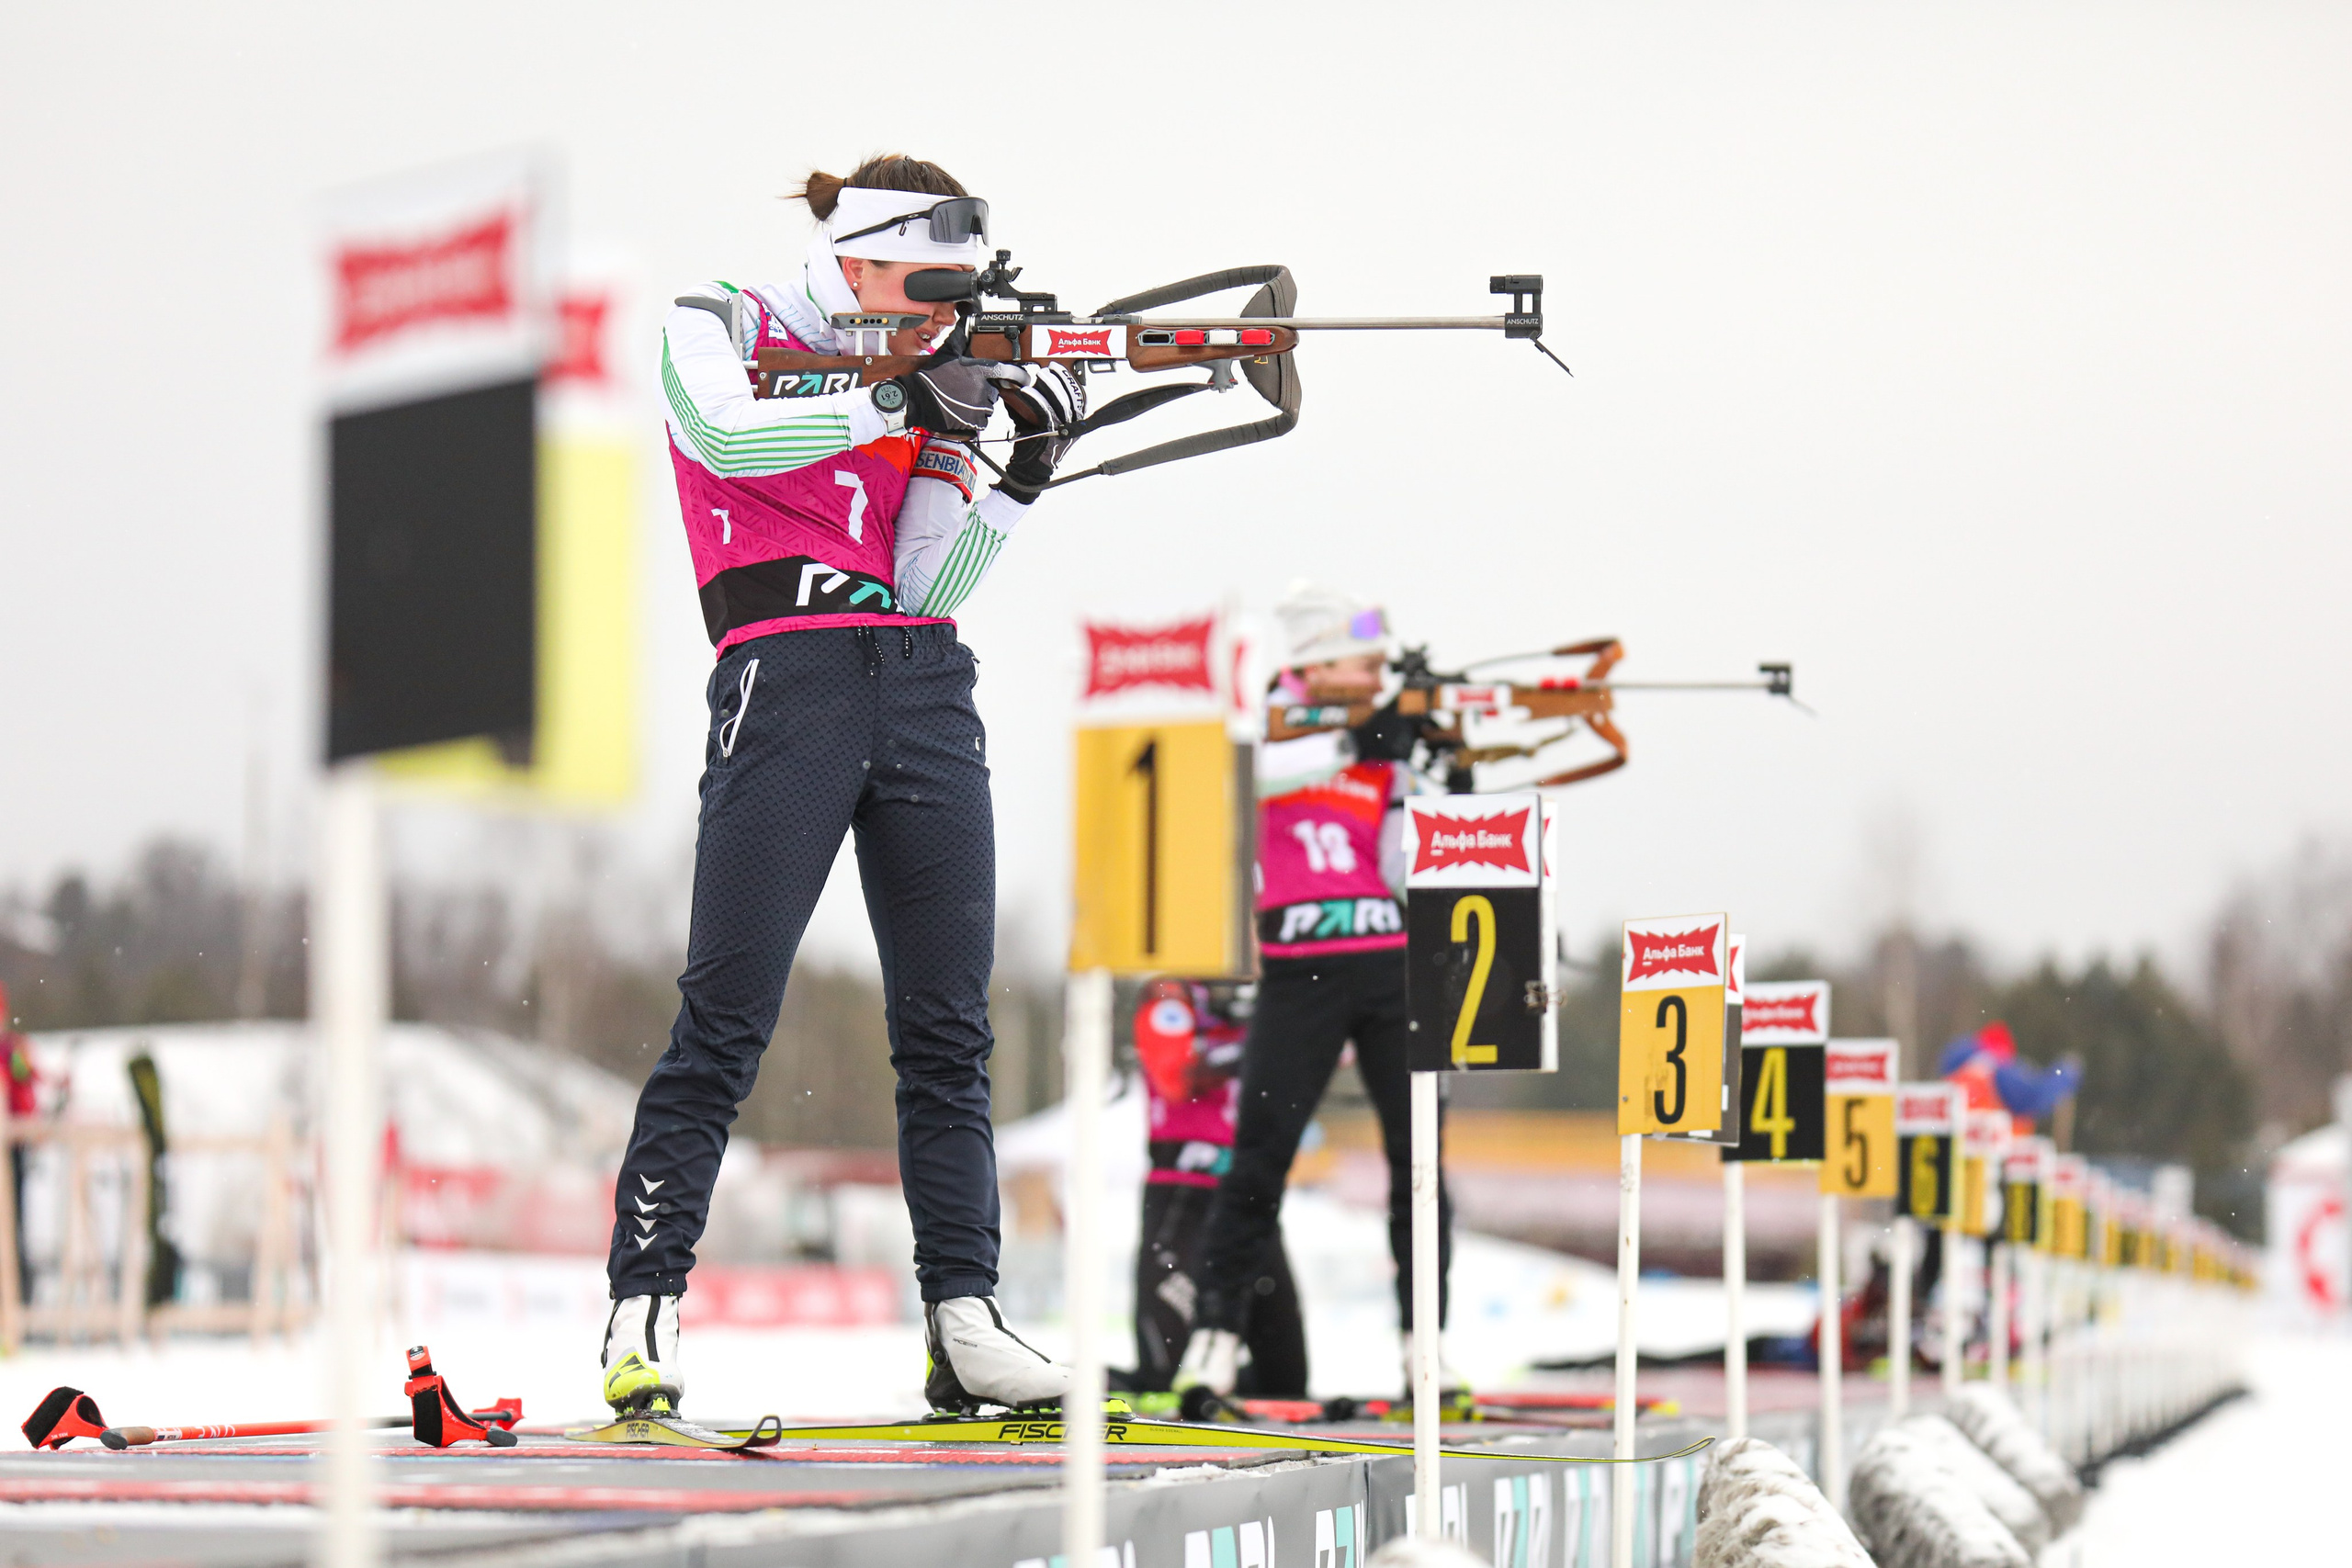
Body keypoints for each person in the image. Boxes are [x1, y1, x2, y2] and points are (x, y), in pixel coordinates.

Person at [602, 154, 1086, 1417]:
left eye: (959, 295)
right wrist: (893, 398)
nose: (943, 315)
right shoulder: (720, 322)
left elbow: (921, 579)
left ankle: (964, 1319)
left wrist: (1014, 474)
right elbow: (722, 432)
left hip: (920, 681)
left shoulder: (922, 365)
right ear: (856, 260)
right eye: (925, 288)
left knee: (949, 1032)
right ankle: (642, 1305)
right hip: (787, 678)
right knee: (726, 1016)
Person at [1175, 585, 1457, 1401]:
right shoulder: (1266, 721)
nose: (1375, 676)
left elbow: (1401, 864)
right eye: (1362, 662)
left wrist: (1442, 779)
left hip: (1389, 967)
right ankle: (1214, 1340)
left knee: (1420, 1161)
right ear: (1318, 663)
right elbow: (1249, 778)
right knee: (1259, 1156)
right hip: (1299, 971)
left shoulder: (1377, 742)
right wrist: (1356, 739)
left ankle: (1425, 1346)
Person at [1125, 978, 1305, 1395]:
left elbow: (1335, 1050)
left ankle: (1226, 1395)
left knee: (1286, 1380)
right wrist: (1257, 1041)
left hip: (1247, 1194)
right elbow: (1177, 1077)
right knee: (1163, 1375)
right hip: (1183, 1194)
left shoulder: (1267, 993)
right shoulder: (1171, 993)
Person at [1, 983, 34, 1303]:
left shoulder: (13, 1050)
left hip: (13, 1147)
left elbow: (26, 1079)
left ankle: (17, 1297)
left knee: (13, 1225)